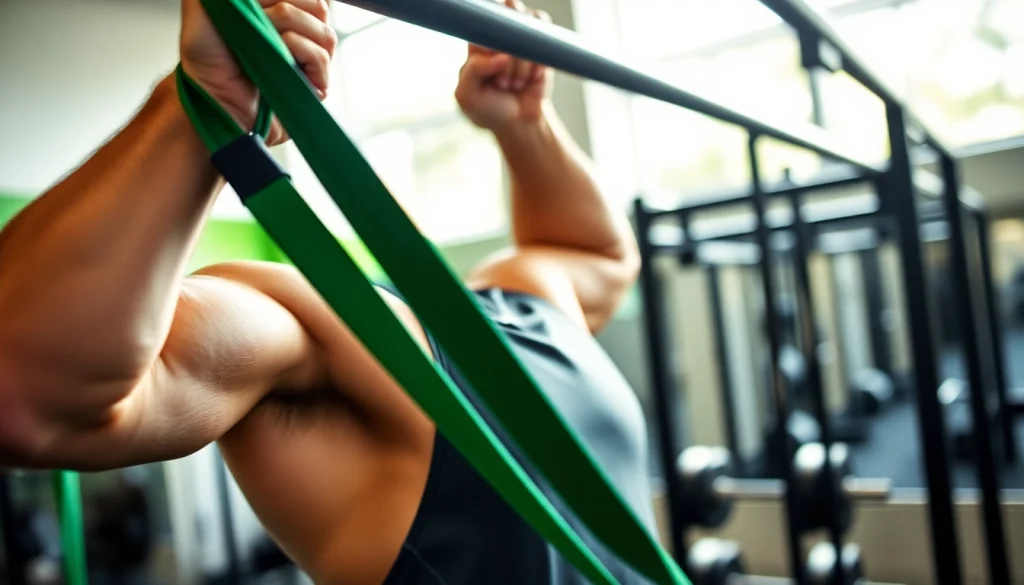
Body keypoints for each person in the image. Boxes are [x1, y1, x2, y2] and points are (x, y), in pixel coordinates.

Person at [0, 0, 656, 583]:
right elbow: (23, 396)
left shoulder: (528, 303)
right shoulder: (315, 327)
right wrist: (204, 104)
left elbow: (594, 254)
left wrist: (524, 123)